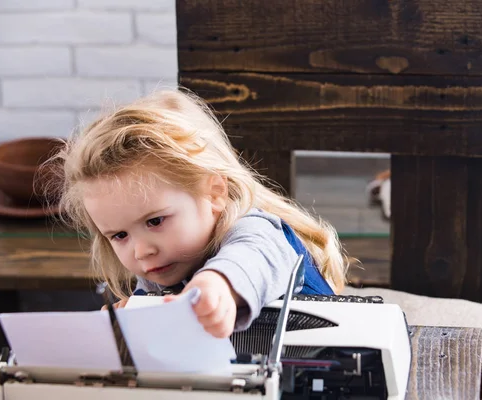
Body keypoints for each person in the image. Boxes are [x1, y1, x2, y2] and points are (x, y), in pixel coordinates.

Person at [46, 88, 350, 339]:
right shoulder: (161, 270)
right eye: (119, 235)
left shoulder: (256, 231)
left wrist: (215, 286)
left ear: (214, 194)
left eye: (155, 221)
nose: (141, 251)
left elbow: (249, 260)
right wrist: (137, 324)